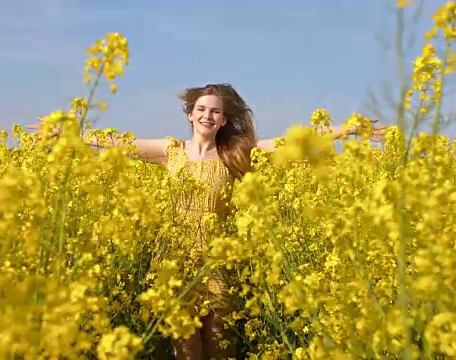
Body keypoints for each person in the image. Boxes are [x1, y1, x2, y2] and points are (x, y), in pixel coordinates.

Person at [27, 83, 387, 359]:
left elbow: (294, 141)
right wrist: (70, 133)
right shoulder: (169, 151)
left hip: (219, 261)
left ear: (224, 120)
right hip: (174, 261)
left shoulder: (236, 154)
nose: (207, 115)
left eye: (215, 111)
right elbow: (118, 143)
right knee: (186, 352)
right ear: (190, 114)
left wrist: (348, 129)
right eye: (201, 109)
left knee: (220, 351)